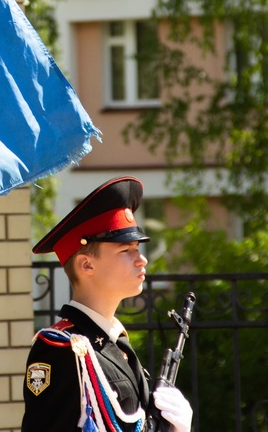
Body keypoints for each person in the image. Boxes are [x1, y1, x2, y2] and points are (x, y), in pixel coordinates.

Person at [22, 176, 194, 432]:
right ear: (86, 265)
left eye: (138, 248)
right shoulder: (62, 350)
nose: (142, 260)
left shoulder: (116, 343)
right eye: (126, 251)